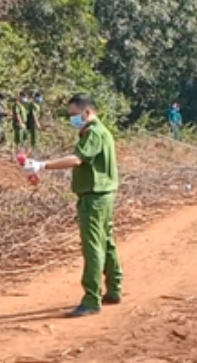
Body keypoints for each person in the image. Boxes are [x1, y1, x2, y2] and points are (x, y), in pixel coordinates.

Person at [22, 94, 122, 317]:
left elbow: (77, 159)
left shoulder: (94, 133)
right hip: (103, 195)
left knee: (93, 247)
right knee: (107, 241)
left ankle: (91, 299)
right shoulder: (99, 132)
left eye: (75, 115)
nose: (73, 120)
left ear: (87, 112)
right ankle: (114, 289)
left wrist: (42, 165)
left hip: (94, 197)